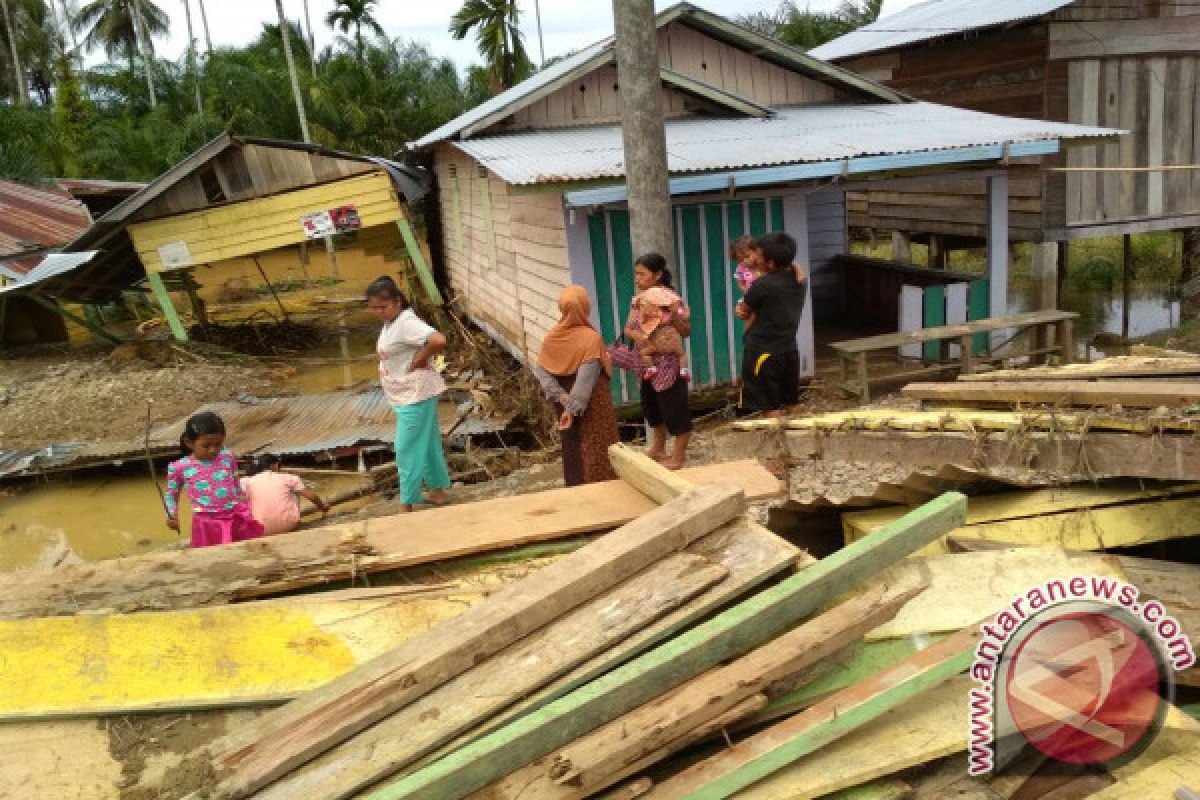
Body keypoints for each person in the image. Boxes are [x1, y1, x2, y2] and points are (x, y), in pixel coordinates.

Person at [367, 275, 452, 513]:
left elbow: (437, 340)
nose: (379, 312)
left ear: (397, 302)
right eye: (374, 308)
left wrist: (421, 358)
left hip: (416, 393)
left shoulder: (405, 322)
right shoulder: (392, 323)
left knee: (405, 448)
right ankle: (436, 492)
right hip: (406, 393)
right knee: (427, 443)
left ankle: (407, 503)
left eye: (383, 307)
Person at [533, 285, 620, 486]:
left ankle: (575, 484)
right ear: (585, 307)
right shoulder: (591, 339)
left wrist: (562, 399)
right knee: (596, 442)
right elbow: (585, 380)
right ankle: (600, 485)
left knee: (571, 442)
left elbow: (542, 371)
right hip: (589, 402)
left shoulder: (552, 338)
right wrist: (572, 408)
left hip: (563, 401)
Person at [624, 253, 692, 470]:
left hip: (669, 364)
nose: (637, 279)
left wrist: (674, 317)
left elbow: (686, 332)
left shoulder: (671, 301)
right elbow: (628, 329)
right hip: (646, 363)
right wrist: (641, 337)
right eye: (635, 274)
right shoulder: (639, 301)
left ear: (658, 275)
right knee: (651, 407)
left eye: (641, 274)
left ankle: (679, 456)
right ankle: (659, 448)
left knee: (675, 408)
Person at [736, 232, 809, 419]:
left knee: (769, 408)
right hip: (788, 350)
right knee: (791, 403)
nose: (754, 259)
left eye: (758, 256)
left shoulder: (762, 285)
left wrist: (741, 311)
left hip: (763, 353)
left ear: (770, 263)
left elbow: (744, 310)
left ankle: (777, 446)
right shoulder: (800, 280)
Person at [165, 411, 265, 548]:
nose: (213, 450)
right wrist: (171, 514)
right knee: (211, 556)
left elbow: (235, 482)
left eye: (218, 444)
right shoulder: (179, 467)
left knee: (241, 550)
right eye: (206, 446)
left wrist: (245, 506)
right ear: (189, 442)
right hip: (207, 523)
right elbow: (171, 494)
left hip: (234, 515)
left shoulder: (227, 457)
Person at [242, 454, 330, 535]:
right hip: (289, 525)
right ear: (274, 465)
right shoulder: (289, 478)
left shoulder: (246, 481)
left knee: (248, 498)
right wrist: (323, 507)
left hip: (260, 529)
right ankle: (293, 520)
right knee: (295, 492)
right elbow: (312, 496)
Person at [635, 286, 691, 386]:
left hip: (658, 345)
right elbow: (684, 314)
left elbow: (642, 321)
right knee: (681, 355)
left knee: (644, 353)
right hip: (674, 343)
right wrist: (683, 310)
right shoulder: (673, 312)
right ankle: (684, 371)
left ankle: (651, 369)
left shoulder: (654, 313)